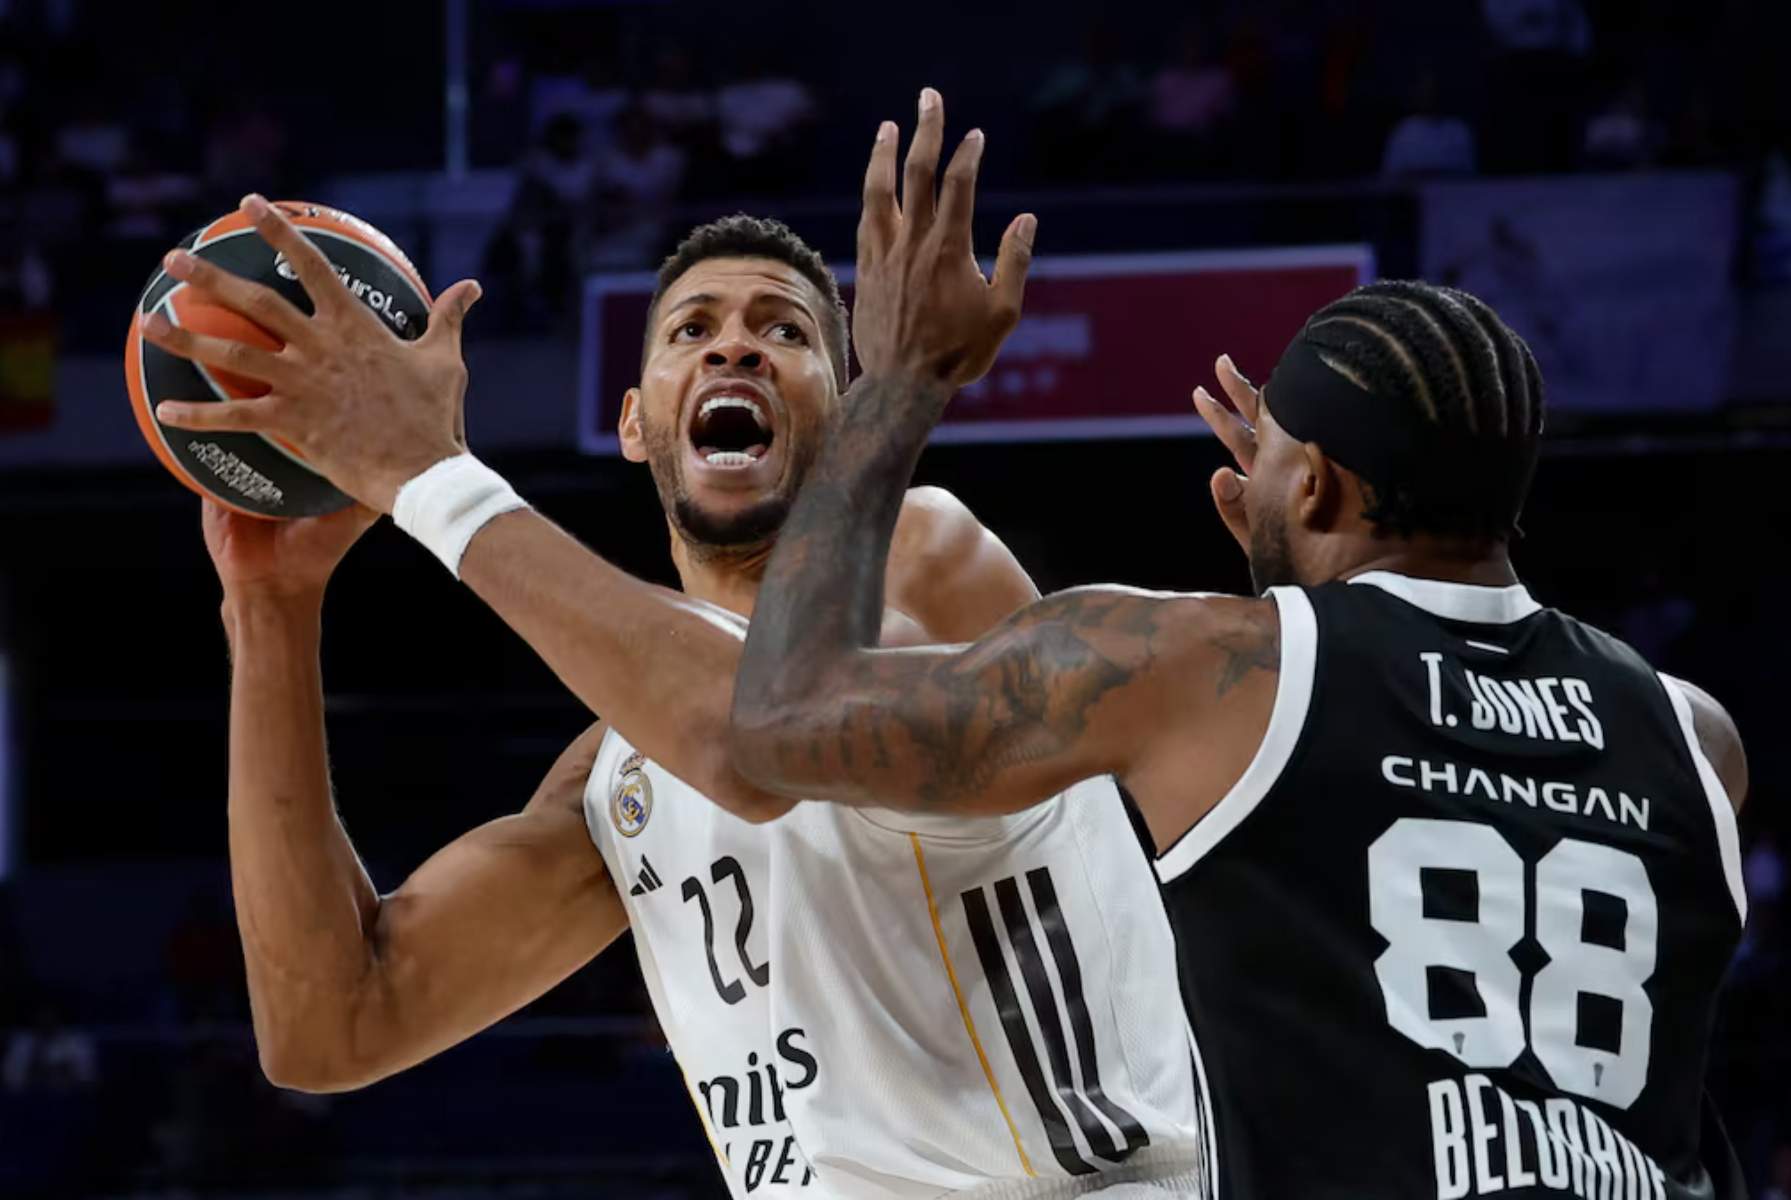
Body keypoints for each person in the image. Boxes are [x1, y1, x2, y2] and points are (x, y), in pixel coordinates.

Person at [136, 97, 1199, 1197]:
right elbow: (330, 1026)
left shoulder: (929, 558)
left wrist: (427, 475)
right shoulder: (620, 771)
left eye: (785, 332)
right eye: (691, 331)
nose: (734, 342)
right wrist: (269, 609)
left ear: (843, 426)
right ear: (637, 420)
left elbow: (757, 734)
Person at [724, 103, 1752, 1200]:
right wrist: (1301, 571)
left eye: (1265, 452)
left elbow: (781, 720)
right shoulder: (1691, 734)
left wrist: (898, 382)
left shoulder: (1197, 666)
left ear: (1311, 485)